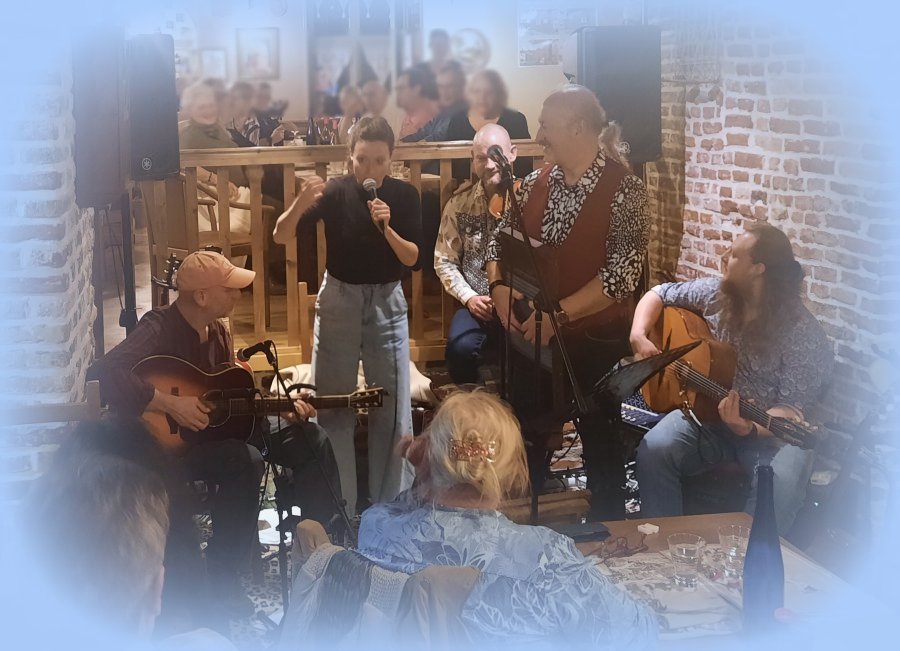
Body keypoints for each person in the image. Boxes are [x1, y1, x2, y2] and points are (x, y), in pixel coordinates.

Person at [87, 251, 344, 614]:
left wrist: (279, 406)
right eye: (230, 289)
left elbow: (229, 398)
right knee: (244, 461)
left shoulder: (219, 331)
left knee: (311, 439)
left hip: (220, 434)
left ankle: (321, 555)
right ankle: (223, 578)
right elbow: (104, 371)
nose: (238, 295)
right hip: (170, 448)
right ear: (202, 296)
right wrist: (167, 403)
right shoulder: (158, 327)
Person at [357, 390, 657, 648]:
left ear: (427, 458)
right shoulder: (544, 558)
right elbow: (634, 633)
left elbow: (398, 512)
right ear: (511, 473)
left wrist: (423, 477)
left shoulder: (376, 528)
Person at [485, 84, 650, 521]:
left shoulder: (626, 191)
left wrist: (558, 314)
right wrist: (497, 287)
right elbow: (495, 244)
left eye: (546, 125)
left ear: (578, 128)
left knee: (601, 445)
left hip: (593, 342)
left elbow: (620, 276)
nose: (538, 135)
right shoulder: (533, 183)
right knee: (526, 440)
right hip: (532, 339)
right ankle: (526, 525)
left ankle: (609, 530)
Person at [630, 222, 833, 534]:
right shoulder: (717, 294)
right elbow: (658, 293)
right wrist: (639, 335)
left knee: (781, 481)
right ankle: (664, 542)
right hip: (707, 415)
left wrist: (748, 427)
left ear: (758, 269)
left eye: (735, 255)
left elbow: (791, 411)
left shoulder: (803, 334)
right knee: (654, 448)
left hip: (769, 433)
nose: (725, 256)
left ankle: (751, 554)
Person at [273, 116, 422, 516]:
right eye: (362, 159)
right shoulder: (335, 192)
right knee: (333, 405)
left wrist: (386, 227)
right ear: (349, 157)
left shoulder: (405, 196)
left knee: (392, 409)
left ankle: (390, 509)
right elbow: (280, 235)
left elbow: (413, 258)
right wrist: (300, 202)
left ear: (391, 159)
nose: (369, 168)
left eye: (379, 160)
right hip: (339, 299)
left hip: (387, 301)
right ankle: (341, 508)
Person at [435, 124, 517, 385]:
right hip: (476, 304)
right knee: (458, 350)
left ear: (512, 153)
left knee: (527, 355)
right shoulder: (458, 203)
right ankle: (471, 404)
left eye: (496, 154)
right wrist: (469, 298)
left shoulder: (528, 199)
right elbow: (444, 260)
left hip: (519, 304)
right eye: (481, 158)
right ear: (473, 161)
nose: (490, 164)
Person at [445, 70, 531, 181]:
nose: (482, 97)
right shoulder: (457, 120)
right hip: (462, 187)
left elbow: (526, 163)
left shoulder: (516, 120)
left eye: (489, 92)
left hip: (510, 185)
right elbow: (450, 162)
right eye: (477, 91)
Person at [401, 60, 467, 144]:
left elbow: (442, 134)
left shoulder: (461, 110)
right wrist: (403, 141)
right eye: (441, 86)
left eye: (449, 86)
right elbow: (425, 131)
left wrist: (423, 143)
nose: (444, 91)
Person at [396, 64, 439, 141]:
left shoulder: (427, 117)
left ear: (417, 89)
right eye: (397, 89)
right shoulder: (409, 115)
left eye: (401, 88)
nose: (398, 93)